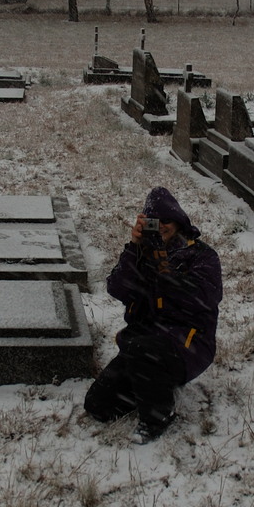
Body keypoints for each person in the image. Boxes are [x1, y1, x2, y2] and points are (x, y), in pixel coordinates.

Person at [84, 187, 223, 443]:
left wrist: (163, 268)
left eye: (166, 221)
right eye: (153, 222)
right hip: (142, 347)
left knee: (144, 347)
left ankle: (157, 417)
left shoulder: (202, 256)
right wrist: (134, 247)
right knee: (97, 405)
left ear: (179, 221)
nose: (161, 227)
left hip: (190, 345)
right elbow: (117, 288)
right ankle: (152, 381)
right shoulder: (141, 253)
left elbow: (202, 298)